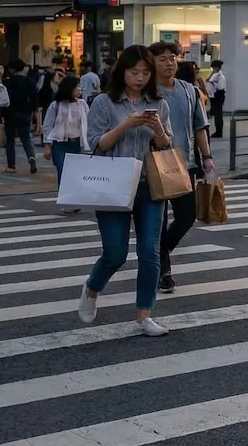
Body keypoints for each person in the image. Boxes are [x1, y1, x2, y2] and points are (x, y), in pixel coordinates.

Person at [77, 45, 175, 336]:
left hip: (149, 185)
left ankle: (145, 315)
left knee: (150, 252)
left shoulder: (159, 104)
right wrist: (125, 126)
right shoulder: (104, 103)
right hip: (112, 184)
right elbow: (95, 144)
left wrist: (157, 129)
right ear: (122, 71)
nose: (140, 78)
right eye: (134, 72)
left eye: (145, 73)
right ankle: (92, 288)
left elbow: (166, 145)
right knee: (115, 253)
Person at [149, 42, 215, 294]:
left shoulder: (189, 90)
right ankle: (164, 271)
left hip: (183, 162)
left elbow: (200, 126)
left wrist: (206, 156)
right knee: (159, 219)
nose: (170, 63)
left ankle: (160, 251)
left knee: (187, 215)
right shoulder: (147, 91)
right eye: (163, 59)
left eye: (173, 58)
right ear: (152, 62)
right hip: (153, 163)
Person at [42, 75, 88, 210]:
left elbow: (89, 123)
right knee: (63, 172)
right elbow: (48, 125)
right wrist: (47, 145)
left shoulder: (82, 104)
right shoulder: (56, 105)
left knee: (75, 174)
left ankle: (75, 200)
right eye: (77, 87)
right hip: (59, 144)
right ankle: (66, 201)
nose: (79, 89)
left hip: (76, 143)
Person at [2, 59, 41, 174]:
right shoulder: (30, 81)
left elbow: (4, 99)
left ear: (11, 69)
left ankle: (11, 165)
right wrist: (34, 111)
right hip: (25, 112)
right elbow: (34, 98)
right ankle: (31, 157)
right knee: (26, 138)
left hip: (10, 113)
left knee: (10, 140)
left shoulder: (7, 82)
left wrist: (1, 113)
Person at [207, 60, 227, 138]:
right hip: (214, 96)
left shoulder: (220, 76)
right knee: (216, 114)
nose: (213, 70)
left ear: (217, 68)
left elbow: (220, 87)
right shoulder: (215, 75)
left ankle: (219, 132)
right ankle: (217, 131)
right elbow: (208, 80)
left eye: (214, 68)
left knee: (218, 115)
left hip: (218, 96)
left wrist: (213, 85)